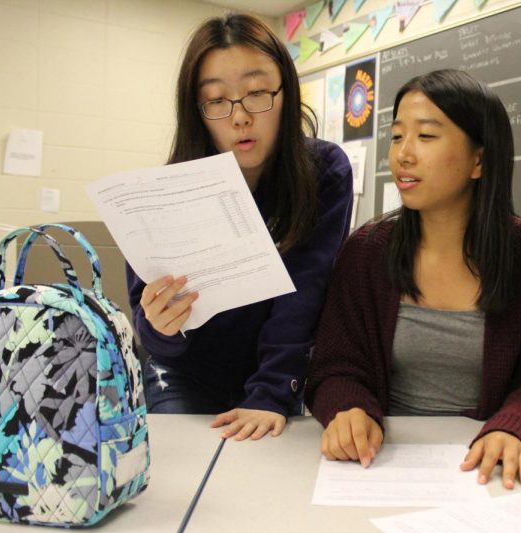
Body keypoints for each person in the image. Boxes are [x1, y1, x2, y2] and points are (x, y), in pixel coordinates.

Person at [305, 69, 521, 489]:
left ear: (479, 159)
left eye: (426, 136)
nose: (403, 154)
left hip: (486, 471)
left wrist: (513, 427)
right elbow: (333, 367)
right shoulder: (367, 250)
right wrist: (349, 408)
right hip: (378, 467)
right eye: (398, 136)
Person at [126, 14, 353, 441]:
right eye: (216, 100)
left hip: (270, 371)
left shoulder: (322, 171)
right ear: (197, 110)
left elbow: (304, 294)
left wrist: (270, 393)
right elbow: (150, 329)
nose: (240, 117)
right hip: (182, 374)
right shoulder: (168, 191)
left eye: (257, 93)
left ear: (286, 91)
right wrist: (160, 326)